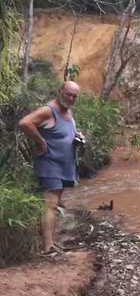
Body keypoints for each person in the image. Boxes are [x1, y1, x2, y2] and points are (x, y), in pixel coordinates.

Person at [18, 81, 82, 255]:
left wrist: (77, 136)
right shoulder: (48, 110)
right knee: (50, 205)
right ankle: (48, 247)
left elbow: (65, 131)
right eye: (68, 94)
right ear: (60, 90)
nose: (71, 98)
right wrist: (41, 142)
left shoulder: (68, 111)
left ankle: (51, 242)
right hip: (50, 164)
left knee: (54, 204)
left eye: (74, 96)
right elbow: (25, 123)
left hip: (64, 165)